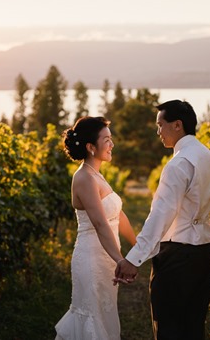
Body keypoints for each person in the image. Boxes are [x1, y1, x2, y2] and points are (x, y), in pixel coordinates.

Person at [115, 100, 210, 340]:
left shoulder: (179, 163)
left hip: (177, 256)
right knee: (194, 327)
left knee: (168, 328)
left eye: (160, 125)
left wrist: (134, 258)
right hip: (204, 254)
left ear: (177, 125)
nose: (158, 132)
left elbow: (160, 215)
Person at [55, 116, 136, 340]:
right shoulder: (83, 178)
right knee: (91, 317)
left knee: (105, 315)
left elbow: (118, 216)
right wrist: (121, 260)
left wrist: (139, 247)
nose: (112, 145)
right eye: (107, 140)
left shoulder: (98, 176)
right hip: (91, 259)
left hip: (106, 258)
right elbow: (100, 224)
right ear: (91, 147)